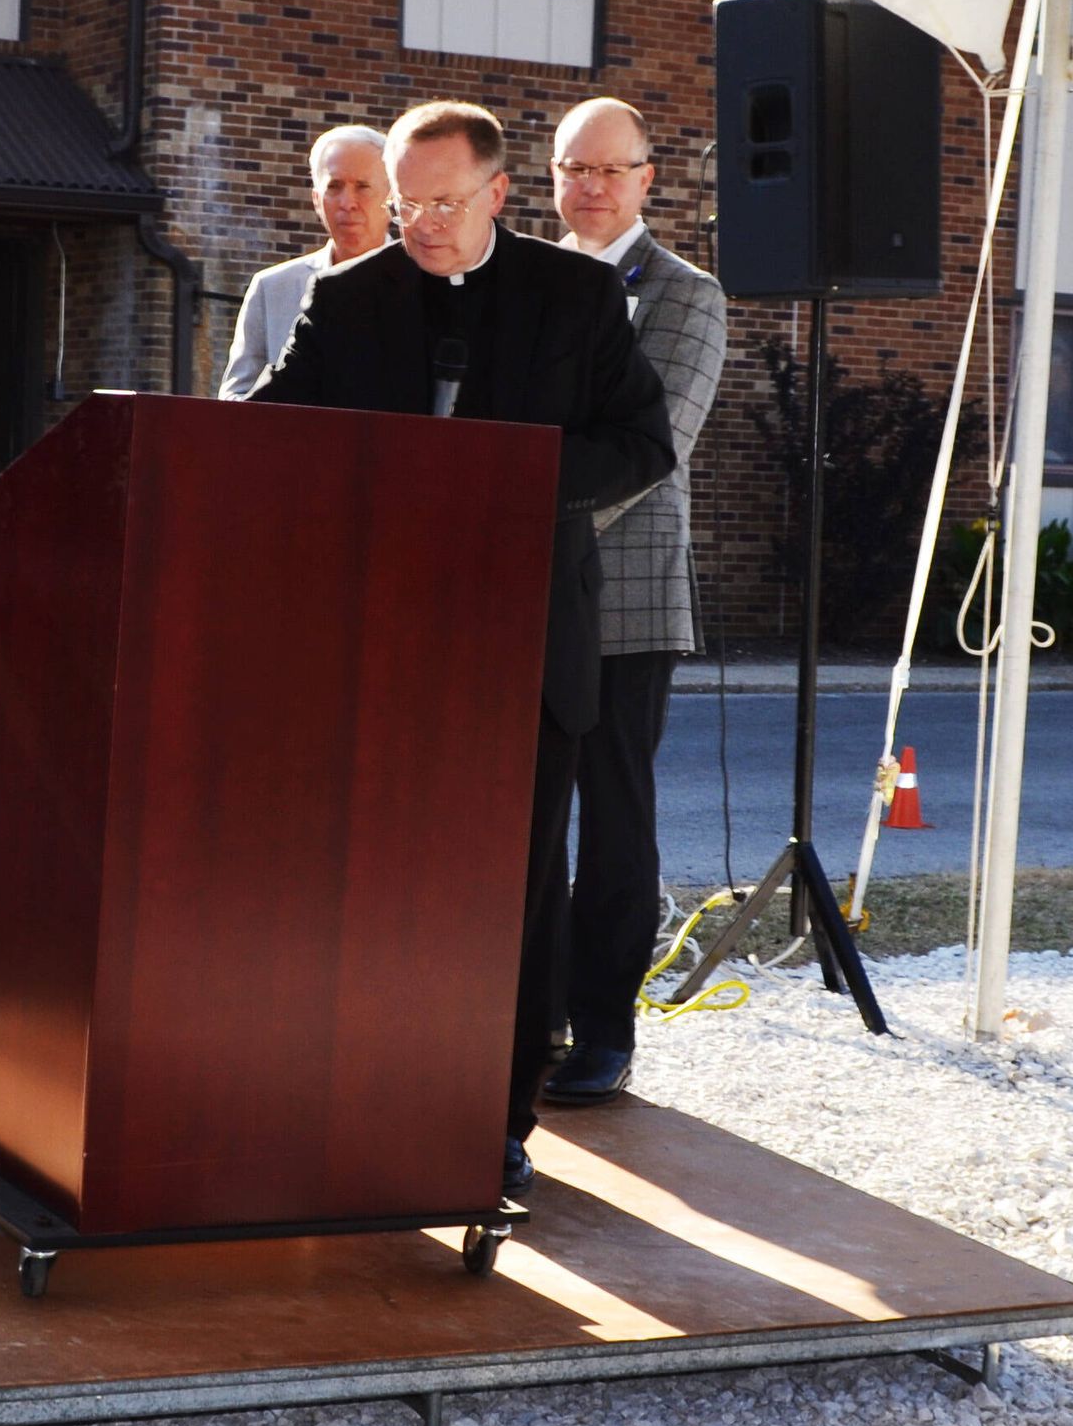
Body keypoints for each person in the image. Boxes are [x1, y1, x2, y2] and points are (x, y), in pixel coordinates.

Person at [255, 99, 672, 1199]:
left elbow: (643, 442)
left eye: (444, 202)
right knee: (374, 879)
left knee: (513, 890)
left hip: (528, 642)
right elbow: (266, 433)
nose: (423, 224)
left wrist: (512, 482)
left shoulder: (576, 294)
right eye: (406, 204)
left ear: (497, 192)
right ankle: (360, 1088)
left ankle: (495, 1117)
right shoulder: (346, 300)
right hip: (378, 648)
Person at [538, 98, 727, 1105]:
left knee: (613, 820)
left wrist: (529, 537)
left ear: (650, 178)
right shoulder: (529, 287)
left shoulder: (689, 296)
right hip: (526, 598)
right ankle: (532, 1016)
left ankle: (605, 1031)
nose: (590, 187)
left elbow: (654, 452)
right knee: (525, 827)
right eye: (574, 167)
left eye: (611, 169)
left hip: (624, 604)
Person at [219, 123, 388, 396]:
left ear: (391, 198)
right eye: (334, 186)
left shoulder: (424, 283)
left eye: (363, 186)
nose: (348, 202)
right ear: (316, 200)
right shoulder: (271, 289)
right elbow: (235, 397)